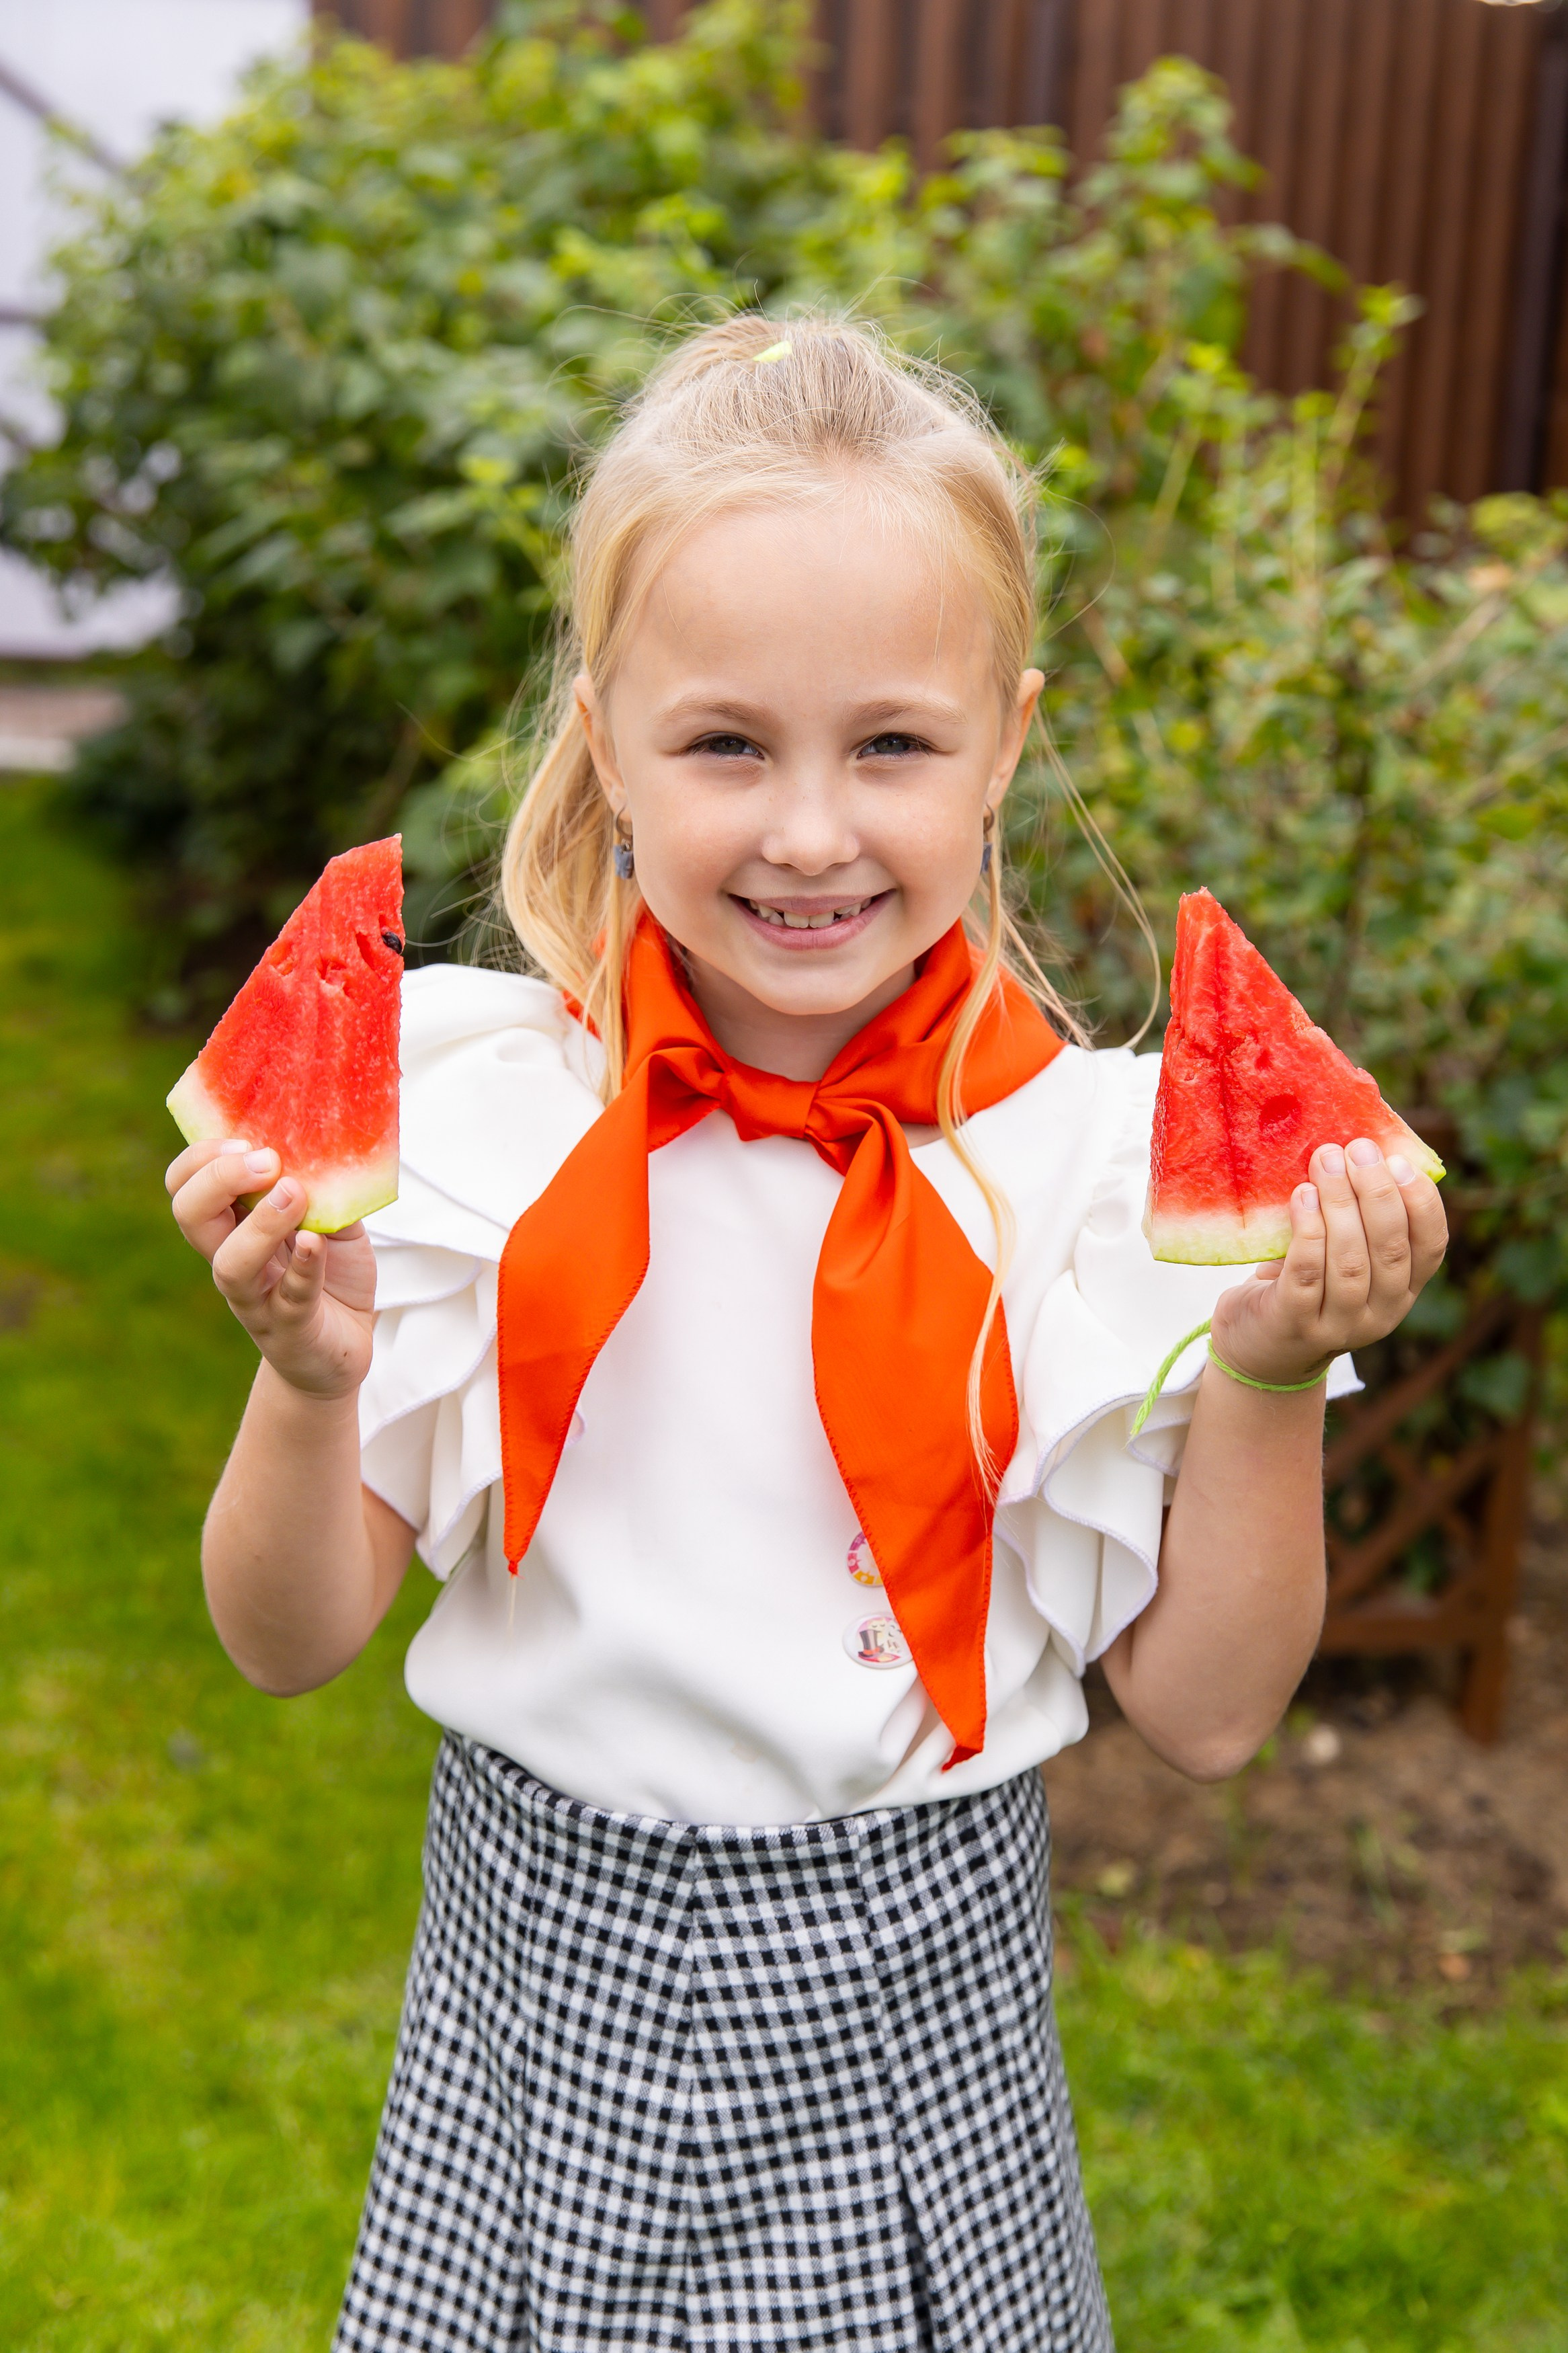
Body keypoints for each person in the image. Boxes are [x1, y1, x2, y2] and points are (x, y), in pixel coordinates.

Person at [165, 315, 1447, 2352]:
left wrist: (1273, 1375)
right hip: (542, 1995)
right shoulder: (484, 1124)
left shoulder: (1087, 1174)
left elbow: (1205, 1712)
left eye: (894, 744)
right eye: (728, 743)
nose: (811, 831)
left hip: (918, 2010)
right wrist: (308, 1383)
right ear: (605, 737)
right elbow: (284, 1633)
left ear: (1007, 742)